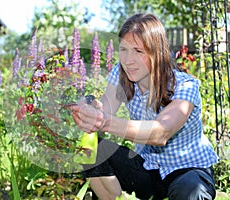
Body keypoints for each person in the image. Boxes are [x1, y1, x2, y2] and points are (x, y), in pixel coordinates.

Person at [70, 13, 218, 200]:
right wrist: (89, 112)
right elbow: (104, 110)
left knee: (190, 191)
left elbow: (161, 132)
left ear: (157, 52)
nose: (128, 60)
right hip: (147, 168)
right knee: (91, 151)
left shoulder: (185, 86)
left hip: (187, 170)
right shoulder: (122, 73)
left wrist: (103, 122)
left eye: (138, 51)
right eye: (124, 50)